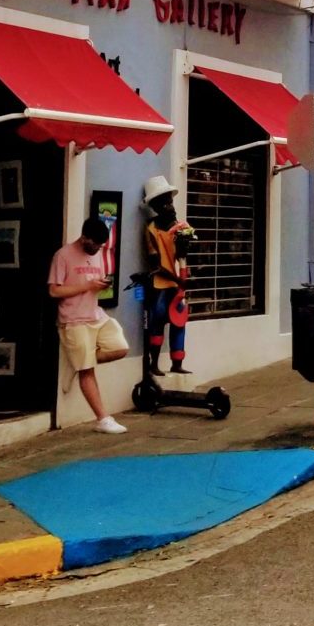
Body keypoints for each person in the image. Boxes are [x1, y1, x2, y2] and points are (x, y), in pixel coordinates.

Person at [48, 219, 128, 434]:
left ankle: (78, 360)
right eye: (95, 245)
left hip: (95, 315)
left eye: (101, 246)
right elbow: (54, 291)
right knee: (87, 370)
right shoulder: (63, 256)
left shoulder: (97, 254)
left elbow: (93, 283)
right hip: (73, 319)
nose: (98, 249)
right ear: (84, 238)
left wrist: (100, 285)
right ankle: (103, 419)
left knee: (120, 347)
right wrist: (88, 286)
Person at [141, 175, 194, 375]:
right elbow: (155, 263)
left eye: (170, 202)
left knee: (179, 322)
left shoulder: (180, 228)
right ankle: (154, 363)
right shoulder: (151, 230)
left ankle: (177, 363)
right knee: (158, 320)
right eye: (164, 204)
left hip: (177, 284)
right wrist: (178, 279)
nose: (170, 207)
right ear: (155, 207)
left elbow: (182, 256)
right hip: (160, 283)